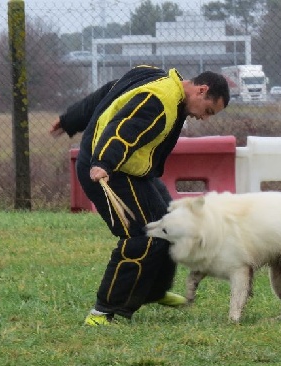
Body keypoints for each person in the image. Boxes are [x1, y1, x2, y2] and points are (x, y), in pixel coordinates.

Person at [50, 65, 230, 325]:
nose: (205, 118)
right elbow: (124, 130)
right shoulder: (161, 100)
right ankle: (105, 311)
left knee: (171, 224)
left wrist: (72, 119)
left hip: (130, 168)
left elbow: (110, 91)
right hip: (107, 170)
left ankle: (153, 291)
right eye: (208, 111)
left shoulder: (155, 75)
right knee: (143, 236)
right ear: (201, 91)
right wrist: (103, 162)